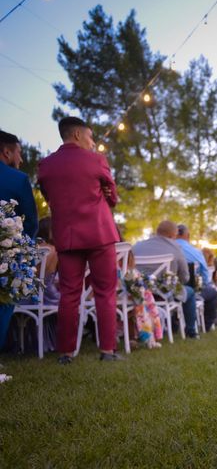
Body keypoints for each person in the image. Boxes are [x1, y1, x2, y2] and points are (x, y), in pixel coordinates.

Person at [37, 117, 121, 363]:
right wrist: (107, 193)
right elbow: (113, 197)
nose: (93, 142)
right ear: (76, 135)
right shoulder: (97, 160)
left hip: (67, 236)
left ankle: (65, 353)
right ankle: (107, 350)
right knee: (105, 292)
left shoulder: (46, 165)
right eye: (90, 136)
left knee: (69, 294)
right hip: (99, 234)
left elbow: (48, 196)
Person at [0, 130, 39, 352]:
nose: (21, 159)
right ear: (7, 152)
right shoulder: (18, 179)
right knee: (4, 301)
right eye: (19, 153)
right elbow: (30, 221)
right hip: (7, 253)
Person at [132, 220, 199, 339]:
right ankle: (191, 330)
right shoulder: (176, 248)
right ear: (172, 235)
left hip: (138, 291)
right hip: (164, 292)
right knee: (190, 291)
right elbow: (185, 276)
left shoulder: (137, 246)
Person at [175, 224, 217, 332]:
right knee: (212, 292)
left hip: (165, 291)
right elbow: (205, 276)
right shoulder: (195, 252)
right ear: (188, 236)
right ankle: (206, 325)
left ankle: (174, 325)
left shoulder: (168, 249)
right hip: (189, 290)